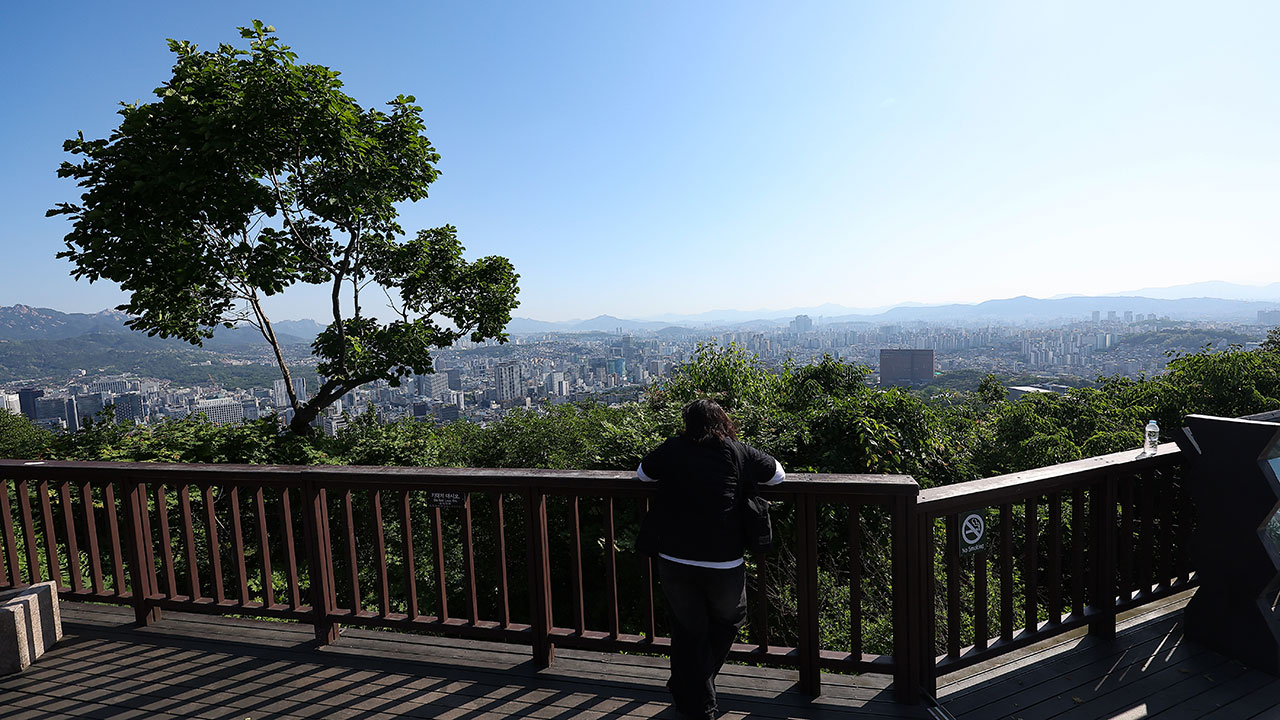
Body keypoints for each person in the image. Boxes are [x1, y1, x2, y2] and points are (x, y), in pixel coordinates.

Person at [637, 399, 784, 720]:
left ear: (687, 424)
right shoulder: (736, 450)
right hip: (722, 561)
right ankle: (701, 705)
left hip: (674, 558)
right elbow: (778, 476)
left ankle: (687, 688)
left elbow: (643, 475)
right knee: (730, 619)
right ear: (723, 422)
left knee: (689, 630)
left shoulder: (673, 448)